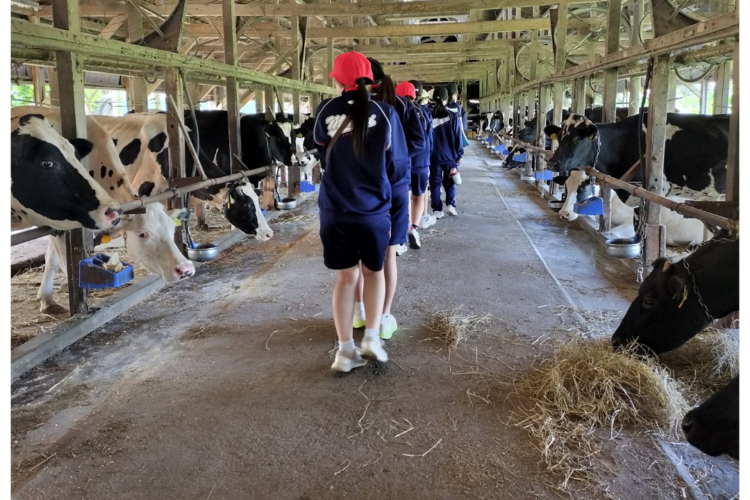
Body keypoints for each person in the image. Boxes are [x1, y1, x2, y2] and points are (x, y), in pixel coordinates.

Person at [313, 50, 408, 372]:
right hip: (373, 211)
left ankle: (344, 350)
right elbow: (396, 165)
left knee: (346, 278)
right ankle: (371, 338)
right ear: (369, 78)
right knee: (374, 272)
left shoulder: (326, 109)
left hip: (334, 210)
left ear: (338, 79)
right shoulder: (384, 112)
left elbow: (322, 158)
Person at [351, 58, 425, 342]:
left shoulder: (350, 105)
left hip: (361, 185)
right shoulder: (403, 105)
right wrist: (397, 158)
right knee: (387, 255)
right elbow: (419, 142)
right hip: (394, 185)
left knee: (360, 255)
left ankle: (359, 312)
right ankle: (382, 318)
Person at [396, 81, 434, 250]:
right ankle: (413, 228)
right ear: (415, 95)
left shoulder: (391, 110)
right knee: (419, 195)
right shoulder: (424, 113)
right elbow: (429, 140)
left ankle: (401, 231)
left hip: (400, 161)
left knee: (403, 196)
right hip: (421, 160)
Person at [429, 86, 463, 218]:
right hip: (450, 156)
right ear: (447, 99)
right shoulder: (452, 116)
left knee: (435, 183)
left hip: (434, 157)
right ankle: (450, 204)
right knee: (450, 182)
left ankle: (437, 210)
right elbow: (457, 137)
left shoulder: (428, 115)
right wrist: (459, 154)